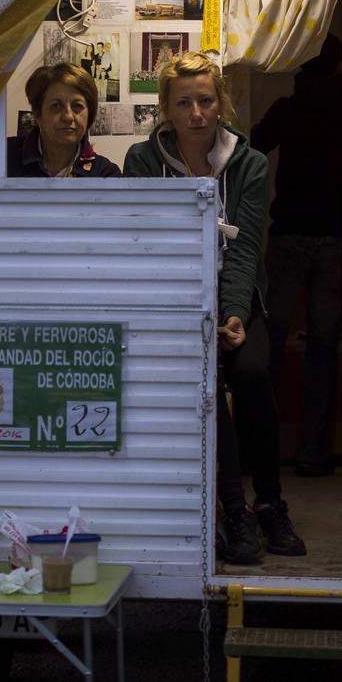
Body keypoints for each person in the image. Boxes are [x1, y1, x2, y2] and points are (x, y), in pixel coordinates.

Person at [124, 52, 306, 563]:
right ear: (165, 107)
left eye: (205, 101)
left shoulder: (250, 164)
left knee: (250, 372)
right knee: (204, 376)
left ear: (221, 101)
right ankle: (234, 511)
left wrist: (233, 316)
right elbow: (146, 244)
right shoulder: (142, 161)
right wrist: (189, 315)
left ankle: (270, 504)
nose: (197, 113)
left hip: (237, 297)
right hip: (174, 305)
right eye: (183, 103)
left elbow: (245, 248)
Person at [250, 35, 342, 476]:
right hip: (331, 237)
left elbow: (249, 149)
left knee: (267, 345)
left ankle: (262, 447)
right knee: (323, 348)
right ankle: (312, 451)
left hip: (287, 233)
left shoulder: (288, 109)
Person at [7, 63, 121, 178]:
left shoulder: (105, 175)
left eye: (77, 106)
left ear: (89, 114)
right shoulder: (0, 157)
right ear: (38, 114)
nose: (68, 116)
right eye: (56, 106)